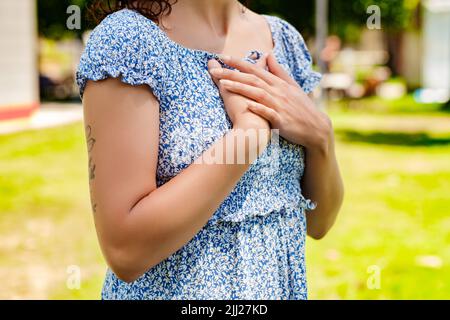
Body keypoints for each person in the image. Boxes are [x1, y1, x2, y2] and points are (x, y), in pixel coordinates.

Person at [76, 0, 344, 299]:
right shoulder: (128, 41)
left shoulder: (283, 40)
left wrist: (322, 138)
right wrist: (248, 138)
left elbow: (318, 223)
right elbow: (125, 251)